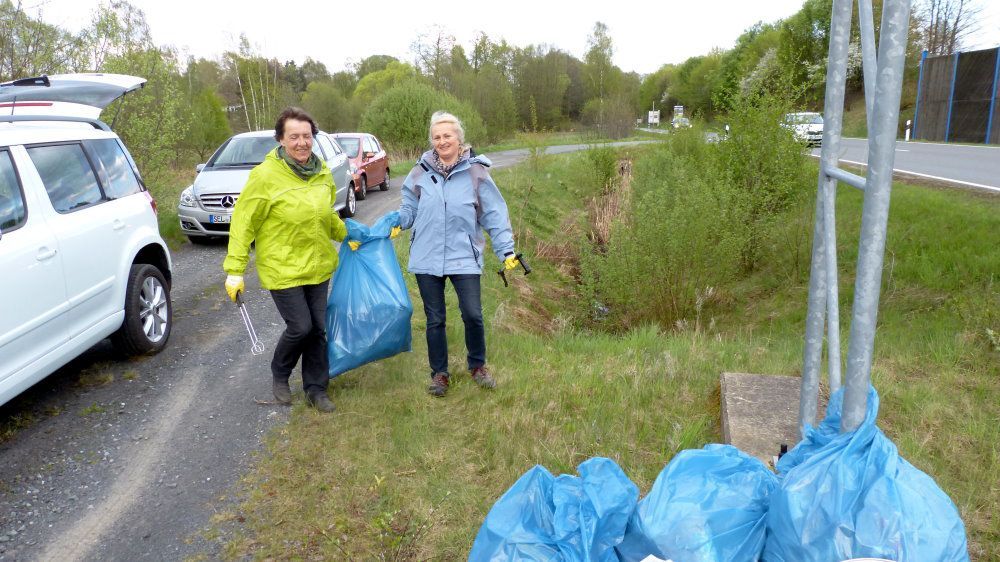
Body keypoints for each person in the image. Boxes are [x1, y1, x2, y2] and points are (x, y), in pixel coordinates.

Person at [223, 107, 346, 412]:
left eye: (307, 136)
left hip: (317, 264)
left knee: (318, 329)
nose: (302, 142)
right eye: (294, 136)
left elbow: (327, 214)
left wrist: (350, 235)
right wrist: (234, 270)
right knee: (301, 327)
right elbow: (243, 222)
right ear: (281, 139)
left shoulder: (321, 172)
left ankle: (316, 388)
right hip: (282, 268)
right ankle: (280, 371)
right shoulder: (264, 176)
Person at [396, 111, 520, 397]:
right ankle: (439, 374)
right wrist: (396, 223)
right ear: (432, 141)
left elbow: (494, 214)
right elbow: (408, 208)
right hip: (427, 256)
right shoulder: (420, 171)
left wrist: (506, 250)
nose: (442, 141)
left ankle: (477, 366)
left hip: (464, 254)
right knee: (434, 318)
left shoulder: (476, 171)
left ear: (459, 138)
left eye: (447, 136)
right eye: (437, 137)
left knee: (473, 314)